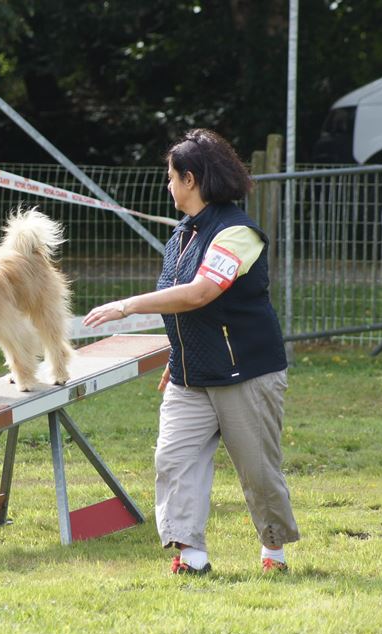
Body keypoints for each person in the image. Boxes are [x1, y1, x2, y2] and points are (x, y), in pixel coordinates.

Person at [84, 128, 299, 575]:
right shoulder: (181, 235)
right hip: (190, 374)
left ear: (190, 179)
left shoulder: (238, 233)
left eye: (170, 177)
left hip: (247, 372)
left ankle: (274, 550)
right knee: (174, 460)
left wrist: (127, 306)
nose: (167, 186)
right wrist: (177, 355)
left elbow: (200, 294)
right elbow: (184, 311)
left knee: (258, 473)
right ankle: (193, 556)